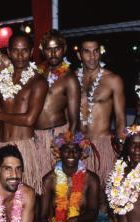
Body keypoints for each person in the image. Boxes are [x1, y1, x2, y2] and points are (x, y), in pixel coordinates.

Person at [76, 36, 126, 211]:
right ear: (79, 55)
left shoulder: (113, 80)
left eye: (96, 51)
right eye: (87, 51)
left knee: (104, 200)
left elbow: (121, 120)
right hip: (78, 148)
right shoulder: (71, 79)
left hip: (104, 147)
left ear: (100, 52)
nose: (92, 56)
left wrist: (122, 153)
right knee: (80, 201)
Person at [0, 32, 48, 194]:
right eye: (15, 50)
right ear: (9, 52)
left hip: (24, 146)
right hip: (1, 144)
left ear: (31, 51)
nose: (20, 55)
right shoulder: (0, 80)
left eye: (24, 50)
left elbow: (30, 119)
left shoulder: (38, 82)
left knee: (27, 196)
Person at [40, 131, 100, 222]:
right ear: (59, 152)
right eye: (67, 150)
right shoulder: (49, 180)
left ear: (82, 153)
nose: (71, 155)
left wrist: (73, 220)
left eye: (76, 150)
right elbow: (42, 216)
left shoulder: (91, 179)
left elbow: (93, 212)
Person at [35, 29, 80, 176]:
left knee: (59, 181)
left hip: (58, 136)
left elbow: (74, 120)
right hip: (36, 136)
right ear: (43, 50)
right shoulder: (37, 73)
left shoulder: (69, 78)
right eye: (49, 49)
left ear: (64, 49)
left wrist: (67, 146)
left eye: (57, 48)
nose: (53, 53)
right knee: (39, 181)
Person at [98, 125, 140, 222]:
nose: (137, 149)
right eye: (133, 144)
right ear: (126, 146)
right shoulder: (119, 169)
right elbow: (112, 203)